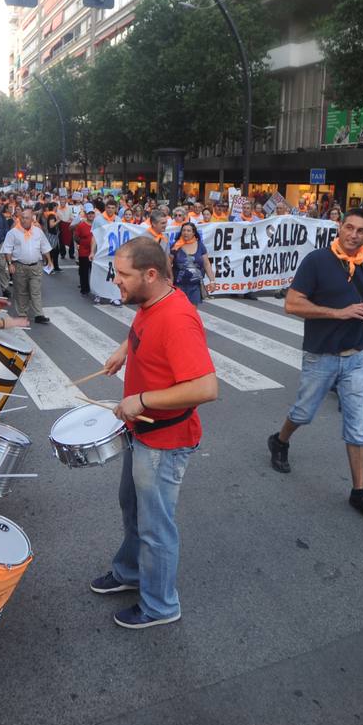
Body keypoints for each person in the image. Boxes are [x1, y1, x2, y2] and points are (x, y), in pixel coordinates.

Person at [88, 236, 218, 629]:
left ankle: (161, 604)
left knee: (155, 526)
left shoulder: (178, 318)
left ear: (150, 274)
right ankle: (130, 573)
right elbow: (144, 329)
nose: (116, 282)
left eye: (123, 275)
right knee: (131, 506)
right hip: (142, 433)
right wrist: (123, 350)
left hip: (165, 440)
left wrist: (141, 400)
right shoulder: (150, 301)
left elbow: (206, 388)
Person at [265, 209, 363, 524]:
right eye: (349, 227)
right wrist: (339, 313)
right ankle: (280, 441)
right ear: (339, 227)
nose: (354, 235)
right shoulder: (317, 260)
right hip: (321, 355)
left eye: (361, 231)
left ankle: (359, 492)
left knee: (358, 428)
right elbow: (292, 304)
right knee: (303, 413)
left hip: (356, 357)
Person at [1, 208, 53, 324]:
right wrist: (9, 264)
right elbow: (7, 249)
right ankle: (22, 314)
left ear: (32, 219)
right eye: (22, 218)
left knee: (36, 290)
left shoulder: (38, 232)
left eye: (26, 218)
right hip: (19, 266)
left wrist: (49, 260)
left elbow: (44, 246)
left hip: (36, 266)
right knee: (21, 291)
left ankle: (39, 314)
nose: (24, 220)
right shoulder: (13, 233)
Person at [171, 221, 213, 306]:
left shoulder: (200, 246)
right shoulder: (175, 246)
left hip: (195, 286)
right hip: (179, 286)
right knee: (180, 312)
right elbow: (167, 265)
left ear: (194, 233)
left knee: (192, 313)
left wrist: (212, 281)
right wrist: (169, 280)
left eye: (188, 231)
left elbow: (207, 264)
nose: (185, 233)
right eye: (184, 230)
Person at [74, 204, 96, 295]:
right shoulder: (81, 225)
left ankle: (95, 288)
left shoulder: (97, 225)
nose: (91, 215)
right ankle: (84, 288)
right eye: (89, 213)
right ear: (86, 214)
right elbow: (76, 237)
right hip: (83, 252)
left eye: (92, 213)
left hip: (95, 252)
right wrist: (82, 243)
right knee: (84, 271)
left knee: (94, 271)